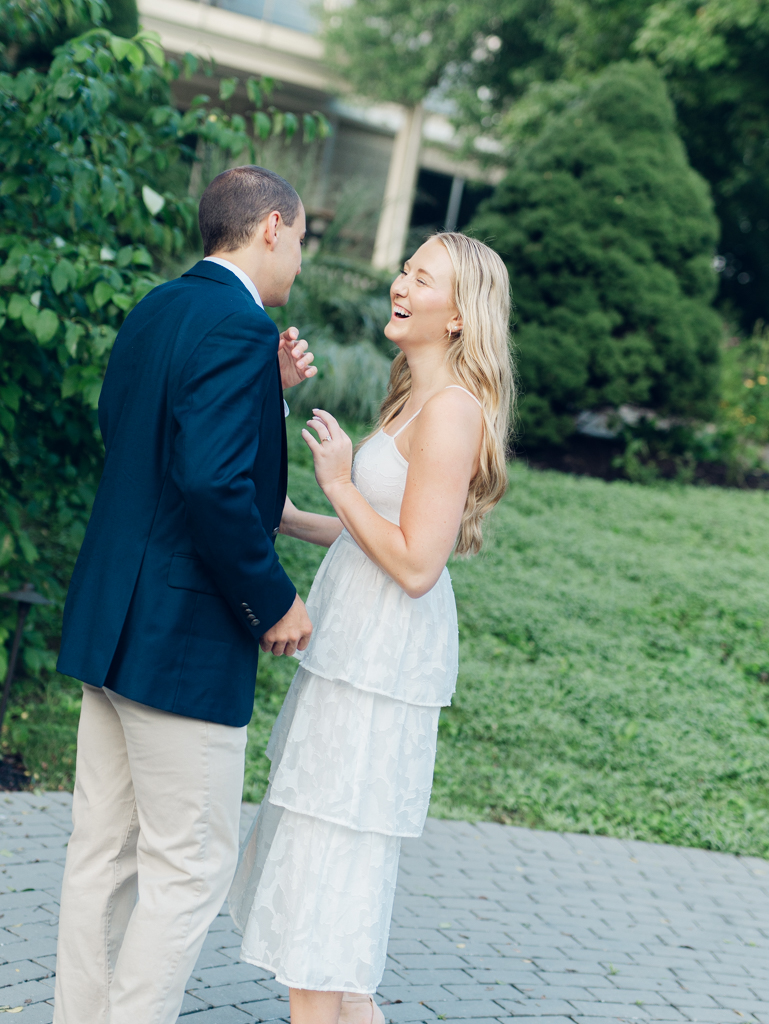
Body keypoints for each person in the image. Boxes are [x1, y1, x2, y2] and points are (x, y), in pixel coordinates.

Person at [229, 231, 515, 1024]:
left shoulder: (453, 412)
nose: (400, 283)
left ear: (458, 317)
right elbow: (376, 529)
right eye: (406, 270)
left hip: (382, 661)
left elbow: (419, 565)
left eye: (422, 279)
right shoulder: (411, 400)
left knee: (328, 886)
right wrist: (290, 514)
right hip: (355, 645)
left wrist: (335, 480)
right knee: (322, 881)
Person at [53, 166, 317, 1024]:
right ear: (272, 226)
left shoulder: (158, 309)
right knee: (188, 863)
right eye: (302, 242)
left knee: (104, 853)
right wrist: (272, 600)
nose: (299, 263)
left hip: (112, 625)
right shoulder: (242, 328)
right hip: (180, 639)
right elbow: (208, 485)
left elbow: (140, 440)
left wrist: (262, 398)